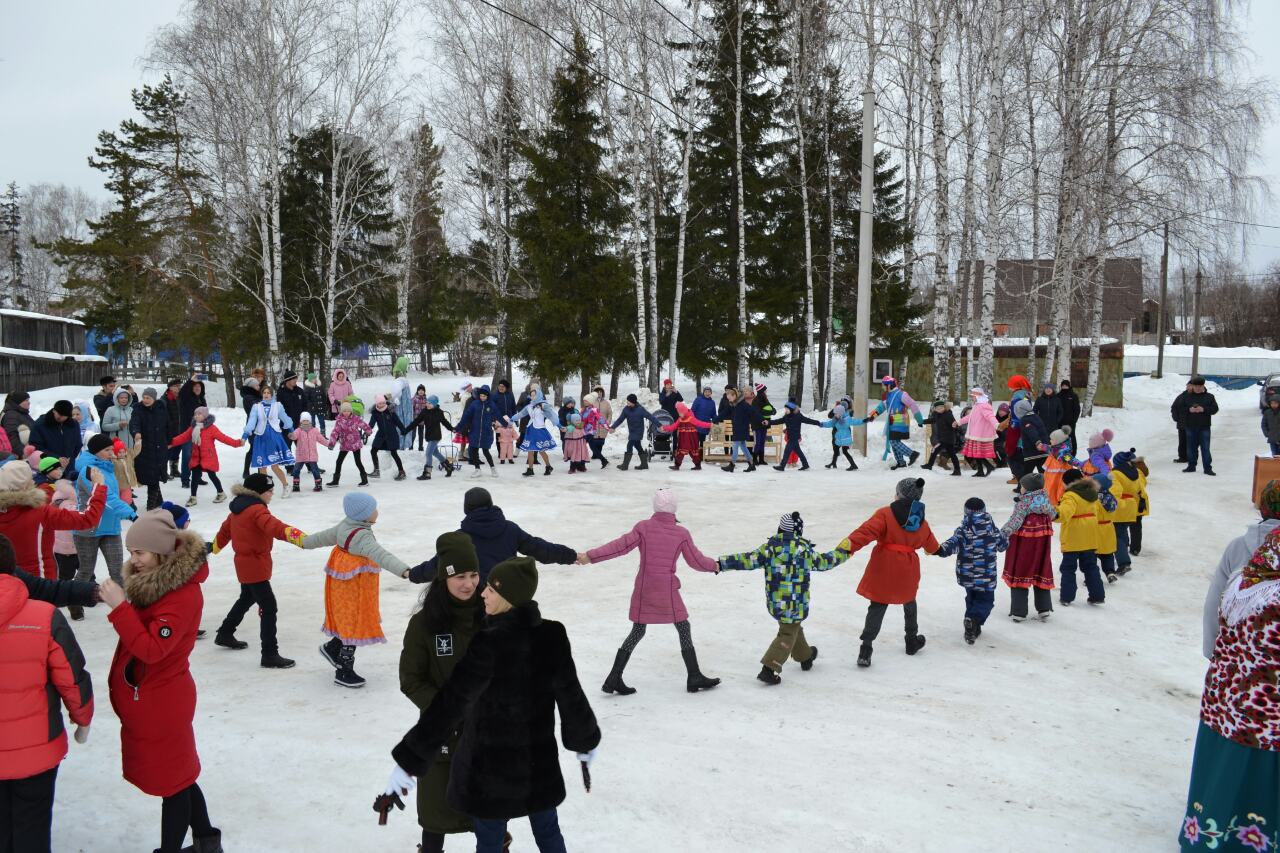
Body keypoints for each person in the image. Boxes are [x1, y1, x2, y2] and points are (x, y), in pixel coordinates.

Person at [386, 557, 601, 853]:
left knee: (490, 843)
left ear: (510, 596)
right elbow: (571, 696)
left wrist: (408, 761)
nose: (483, 593)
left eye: (492, 589)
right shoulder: (552, 635)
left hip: (489, 776)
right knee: (549, 834)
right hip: (538, 769)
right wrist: (585, 742)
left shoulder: (487, 644)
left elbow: (449, 705)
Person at [97, 509, 222, 853]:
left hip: (163, 703)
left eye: (139, 552)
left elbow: (152, 649)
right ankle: (207, 841)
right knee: (180, 776)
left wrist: (120, 609)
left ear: (162, 551)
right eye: (131, 552)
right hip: (153, 697)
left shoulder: (180, 595)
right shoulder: (157, 583)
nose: (133, 560)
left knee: (174, 786)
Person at [1179, 526, 1280, 851]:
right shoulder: (1272, 598)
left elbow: (1214, 612)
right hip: (1265, 716)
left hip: (1226, 700)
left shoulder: (1246, 580)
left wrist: (1215, 657)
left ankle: (1210, 832)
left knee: (1224, 775)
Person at [0, 533, 94, 853]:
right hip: (36, 751)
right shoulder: (43, 617)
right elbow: (71, 676)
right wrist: (83, 719)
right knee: (33, 828)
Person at [582, 488, 721, 694]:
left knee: (638, 630)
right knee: (683, 627)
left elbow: (620, 546)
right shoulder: (681, 533)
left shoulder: (643, 527)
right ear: (674, 508)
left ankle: (614, 677)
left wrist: (590, 556)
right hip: (667, 590)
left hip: (645, 588)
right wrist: (715, 566)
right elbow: (696, 561)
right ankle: (694, 676)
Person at [398, 532, 484, 853]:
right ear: (443, 577)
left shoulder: (492, 615)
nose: (468, 584)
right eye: (459, 576)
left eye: (473, 574)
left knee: (489, 818)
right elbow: (411, 679)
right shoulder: (424, 625)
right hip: (442, 736)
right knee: (436, 815)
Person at [717, 511, 847, 685]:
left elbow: (747, 559)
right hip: (796, 602)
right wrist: (844, 552)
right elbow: (825, 562)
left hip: (776, 601)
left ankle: (805, 656)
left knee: (792, 626)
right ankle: (769, 669)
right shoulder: (804, 550)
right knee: (788, 632)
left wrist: (722, 563)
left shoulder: (769, 549)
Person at [300, 492, 412, 688]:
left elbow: (321, 537)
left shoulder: (346, 525)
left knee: (347, 618)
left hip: (341, 586)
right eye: (373, 509)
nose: (377, 512)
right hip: (355, 587)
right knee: (354, 623)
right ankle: (343, 671)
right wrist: (405, 571)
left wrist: (303, 541)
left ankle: (332, 648)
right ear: (363, 515)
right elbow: (381, 555)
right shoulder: (362, 537)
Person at [840, 478, 939, 667]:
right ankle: (911, 641)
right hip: (907, 569)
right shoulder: (921, 521)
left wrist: (847, 546)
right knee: (909, 602)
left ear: (899, 495)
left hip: (884, 565)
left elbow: (866, 532)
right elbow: (932, 546)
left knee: (878, 604)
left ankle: (866, 648)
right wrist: (940, 550)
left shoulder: (885, 514)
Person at [211, 473, 305, 669]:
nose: (272, 494)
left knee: (246, 597)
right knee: (269, 607)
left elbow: (224, 532)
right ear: (259, 492)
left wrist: (214, 547)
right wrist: (301, 538)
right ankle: (269, 654)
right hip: (254, 564)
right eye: (269, 491)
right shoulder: (257, 511)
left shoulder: (238, 509)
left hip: (245, 563)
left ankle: (225, 633)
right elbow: (276, 527)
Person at [407, 488, 577, 584]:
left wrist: (412, 574)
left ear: (467, 508)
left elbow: (437, 565)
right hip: (505, 593)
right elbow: (539, 548)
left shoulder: (460, 539)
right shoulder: (510, 529)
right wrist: (571, 556)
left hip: (475, 596)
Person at [1202, 480, 1280, 659]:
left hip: (1240, 659)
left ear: (1263, 507)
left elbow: (1214, 602)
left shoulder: (1238, 547)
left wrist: (1212, 652)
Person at [0, 457, 106, 582]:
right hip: (40, 583)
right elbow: (88, 519)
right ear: (25, 484)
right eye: (30, 479)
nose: (33, 481)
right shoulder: (41, 513)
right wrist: (98, 487)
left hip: (5, 583)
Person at [72, 435, 138, 603]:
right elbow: (106, 498)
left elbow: (116, 494)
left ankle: (125, 606)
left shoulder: (107, 468)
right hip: (88, 529)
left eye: (111, 449)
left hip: (110, 527)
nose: (111, 453)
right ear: (95, 451)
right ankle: (74, 602)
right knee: (86, 571)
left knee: (118, 571)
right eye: (107, 450)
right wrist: (130, 513)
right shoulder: (89, 471)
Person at [934, 497, 1008, 645]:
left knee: (972, 599)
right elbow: (1003, 545)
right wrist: (1005, 537)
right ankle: (973, 620)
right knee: (986, 602)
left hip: (967, 575)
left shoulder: (963, 530)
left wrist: (940, 549)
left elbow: (952, 543)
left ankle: (972, 628)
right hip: (986, 577)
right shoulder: (992, 529)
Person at [1001, 472, 1057, 621]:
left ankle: (1019, 612)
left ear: (1028, 489)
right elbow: (1053, 514)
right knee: (1041, 570)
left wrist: (1004, 532)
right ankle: (1044, 609)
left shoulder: (1024, 503)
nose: (1021, 488)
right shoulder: (1046, 501)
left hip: (1024, 546)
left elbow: (1016, 521)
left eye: (1022, 486)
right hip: (1042, 546)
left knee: (1021, 571)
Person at [169, 407, 242, 507]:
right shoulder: (193, 428)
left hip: (208, 457)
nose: (196, 416)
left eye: (199, 414)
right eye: (195, 414)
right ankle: (193, 497)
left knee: (212, 476)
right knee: (194, 477)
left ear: (205, 416)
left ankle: (221, 493)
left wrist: (237, 443)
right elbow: (183, 437)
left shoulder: (211, 428)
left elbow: (224, 438)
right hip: (196, 457)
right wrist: (171, 442)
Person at [1055, 469, 1105, 606]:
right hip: (1090, 535)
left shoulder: (1070, 495)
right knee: (1091, 566)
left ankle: (1067, 597)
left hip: (1074, 536)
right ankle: (1097, 595)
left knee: (1068, 568)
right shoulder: (1092, 493)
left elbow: (1064, 513)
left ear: (1068, 482)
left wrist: (1053, 513)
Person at [242, 385, 295, 494]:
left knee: (274, 466)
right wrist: (245, 435)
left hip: (273, 438)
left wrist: (291, 430)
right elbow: (251, 422)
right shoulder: (256, 407)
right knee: (262, 467)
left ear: (272, 394)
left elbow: (285, 418)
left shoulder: (277, 406)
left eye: (268, 393)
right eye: (264, 392)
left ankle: (286, 485)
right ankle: (266, 488)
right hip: (261, 438)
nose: (266, 394)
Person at [129, 387, 171, 510]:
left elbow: (168, 425)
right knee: (152, 476)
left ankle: (157, 501)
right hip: (146, 448)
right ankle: (151, 505)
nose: (145, 400)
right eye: (144, 397)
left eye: (148, 398)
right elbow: (134, 423)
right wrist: (136, 432)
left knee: (155, 475)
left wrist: (169, 440)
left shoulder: (161, 408)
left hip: (160, 447)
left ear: (154, 398)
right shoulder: (138, 409)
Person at [872, 377, 924, 470]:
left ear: (889, 385)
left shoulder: (901, 394)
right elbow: (881, 407)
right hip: (893, 423)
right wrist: (871, 416)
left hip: (900, 422)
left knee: (893, 441)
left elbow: (912, 404)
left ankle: (912, 454)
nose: (882, 387)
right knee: (894, 441)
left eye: (883, 385)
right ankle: (901, 462)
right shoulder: (888, 396)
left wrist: (919, 419)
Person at [402, 395, 455, 480]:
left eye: (430, 403)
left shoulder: (439, 412)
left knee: (428, 453)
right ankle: (448, 466)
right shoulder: (425, 411)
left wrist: (452, 429)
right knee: (435, 453)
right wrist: (406, 430)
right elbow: (416, 421)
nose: (427, 404)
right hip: (429, 435)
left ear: (434, 404)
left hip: (436, 436)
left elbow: (445, 422)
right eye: (427, 402)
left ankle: (427, 473)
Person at [1176, 375, 1218, 475]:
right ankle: (1191, 466)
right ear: (1193, 386)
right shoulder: (1186, 397)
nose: (1198, 388)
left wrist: (1203, 409)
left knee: (1205, 448)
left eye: (1200, 386)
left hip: (1204, 426)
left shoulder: (1209, 397)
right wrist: (1189, 409)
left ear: (1203, 386)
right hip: (1190, 426)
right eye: (1196, 386)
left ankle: (1207, 468)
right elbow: (1180, 409)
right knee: (1191, 448)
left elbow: (1215, 409)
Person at [1109, 449, 1142, 575]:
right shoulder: (1135, 473)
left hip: (1120, 506)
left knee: (1116, 536)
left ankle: (1123, 562)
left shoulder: (1115, 474)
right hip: (1131, 505)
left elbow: (1115, 491)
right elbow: (1139, 488)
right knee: (1122, 532)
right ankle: (1124, 554)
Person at [610, 394, 662, 471]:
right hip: (632, 431)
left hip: (639, 431)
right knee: (638, 446)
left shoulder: (640, 409)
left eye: (628, 401)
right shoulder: (626, 409)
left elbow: (650, 417)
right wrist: (613, 427)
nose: (627, 402)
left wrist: (659, 425)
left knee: (629, 445)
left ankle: (625, 465)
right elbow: (620, 419)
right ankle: (644, 464)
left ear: (633, 402)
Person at [327, 401, 373, 487]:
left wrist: (368, 430)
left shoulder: (356, 418)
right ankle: (335, 481)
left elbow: (363, 425)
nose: (346, 412)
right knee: (339, 461)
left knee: (358, 462)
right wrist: (332, 443)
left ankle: (364, 480)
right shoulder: (339, 420)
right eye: (344, 411)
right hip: (345, 444)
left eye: (348, 411)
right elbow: (335, 432)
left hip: (355, 443)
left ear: (351, 411)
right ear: (342, 411)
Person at [458, 385, 500, 479]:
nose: (482, 397)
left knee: (485, 451)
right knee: (473, 450)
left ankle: (493, 468)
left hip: (486, 432)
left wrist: (494, 423)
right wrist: (466, 427)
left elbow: (494, 416)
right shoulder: (474, 404)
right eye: (481, 395)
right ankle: (477, 469)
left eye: (484, 396)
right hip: (475, 431)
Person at [956, 388, 999, 478]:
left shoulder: (984, 406)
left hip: (980, 434)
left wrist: (996, 425)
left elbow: (990, 416)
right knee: (975, 452)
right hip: (974, 434)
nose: (972, 398)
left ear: (978, 397)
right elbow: (970, 417)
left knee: (978, 452)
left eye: (973, 396)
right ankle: (981, 470)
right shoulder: (977, 406)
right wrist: (959, 422)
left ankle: (988, 467)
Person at [769, 401, 820, 471]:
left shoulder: (798, 416)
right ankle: (805, 464)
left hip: (794, 437)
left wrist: (817, 423)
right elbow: (778, 421)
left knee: (787, 451)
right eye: (785, 409)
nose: (785, 410)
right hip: (791, 437)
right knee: (798, 452)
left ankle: (782, 466)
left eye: (787, 409)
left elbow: (808, 420)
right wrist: (769, 422)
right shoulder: (786, 417)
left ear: (791, 409)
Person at [367, 394, 408, 481]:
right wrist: (367, 431)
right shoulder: (375, 413)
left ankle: (401, 471)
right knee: (373, 450)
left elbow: (398, 422)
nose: (382, 404)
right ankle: (376, 471)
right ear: (377, 404)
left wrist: (403, 430)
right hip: (381, 435)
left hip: (392, 435)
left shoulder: (390, 411)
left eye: (383, 402)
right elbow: (371, 424)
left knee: (394, 453)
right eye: (380, 403)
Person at [821, 404, 873, 471]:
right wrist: (821, 424)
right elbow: (829, 423)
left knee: (844, 451)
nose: (835, 415)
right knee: (837, 450)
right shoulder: (836, 419)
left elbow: (857, 421)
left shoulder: (847, 419)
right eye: (835, 413)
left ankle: (853, 465)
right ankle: (834, 463)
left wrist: (866, 420)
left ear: (841, 413)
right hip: (840, 439)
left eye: (836, 413)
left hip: (845, 439)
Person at [289, 412, 332, 492]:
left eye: (307, 420)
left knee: (315, 470)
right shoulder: (298, 430)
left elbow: (321, 439)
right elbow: (294, 436)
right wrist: (291, 435)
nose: (305, 422)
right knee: (296, 470)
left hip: (312, 455)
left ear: (310, 421)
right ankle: (296, 485)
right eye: (304, 420)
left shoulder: (314, 430)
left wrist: (328, 444)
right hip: (301, 455)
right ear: (301, 421)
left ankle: (318, 485)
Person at [664, 401, 713, 471]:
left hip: (691, 439)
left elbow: (700, 423)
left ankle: (697, 465)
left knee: (692, 452)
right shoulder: (680, 419)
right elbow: (673, 426)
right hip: (683, 439)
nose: (679, 414)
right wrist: (665, 428)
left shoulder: (691, 418)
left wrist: (709, 425)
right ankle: (677, 465)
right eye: (678, 413)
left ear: (684, 411)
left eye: (680, 413)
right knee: (681, 451)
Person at [920, 400, 961, 475]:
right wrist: (922, 421)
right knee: (952, 454)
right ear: (935, 409)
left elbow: (954, 424)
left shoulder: (948, 415)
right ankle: (957, 470)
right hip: (944, 438)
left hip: (947, 438)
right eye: (937, 408)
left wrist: (955, 426)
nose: (940, 409)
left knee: (934, 450)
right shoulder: (937, 415)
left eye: (941, 408)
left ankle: (929, 465)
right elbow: (932, 420)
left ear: (944, 407)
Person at [722, 388, 757, 473]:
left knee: (735, 447)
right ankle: (752, 464)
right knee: (743, 447)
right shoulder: (733, 405)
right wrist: (715, 420)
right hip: (738, 429)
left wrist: (762, 420)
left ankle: (732, 465)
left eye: (729, 397)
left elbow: (754, 412)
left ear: (734, 396)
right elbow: (724, 413)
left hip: (741, 430)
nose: (728, 398)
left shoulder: (743, 404)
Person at [276, 370, 307, 446]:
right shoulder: (281, 393)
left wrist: (304, 419)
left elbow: (305, 406)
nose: (295, 380)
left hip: (299, 425)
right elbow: (279, 410)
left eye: (296, 378)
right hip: (286, 427)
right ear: (287, 380)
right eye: (293, 379)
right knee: (286, 448)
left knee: (302, 448)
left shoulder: (300, 391)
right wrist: (285, 422)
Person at [1, 392, 36, 458]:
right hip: (23, 455)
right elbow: (12, 438)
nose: (29, 402)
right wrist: (24, 453)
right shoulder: (11, 415)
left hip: (31, 450)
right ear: (18, 402)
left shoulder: (22, 413)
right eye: (26, 400)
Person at [162, 379, 184, 480]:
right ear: (170, 388)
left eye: (179, 386)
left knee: (177, 450)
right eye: (176, 386)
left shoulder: (180, 398)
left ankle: (174, 469)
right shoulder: (164, 399)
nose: (179, 388)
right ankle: (163, 472)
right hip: (169, 431)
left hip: (179, 429)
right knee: (167, 451)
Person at [750, 384, 777, 467]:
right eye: (765, 390)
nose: (766, 392)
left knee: (762, 442)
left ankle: (761, 459)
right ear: (762, 391)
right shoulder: (755, 401)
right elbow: (757, 413)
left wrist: (772, 411)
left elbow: (773, 410)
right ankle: (754, 459)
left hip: (764, 425)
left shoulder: (766, 400)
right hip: (756, 425)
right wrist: (764, 418)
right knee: (757, 442)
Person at [1171, 380, 1193, 464]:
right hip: (1182, 423)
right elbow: (1174, 407)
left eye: (1191, 386)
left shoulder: (1197, 397)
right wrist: (1176, 417)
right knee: (1182, 441)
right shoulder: (1181, 396)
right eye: (1188, 385)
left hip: (1193, 423)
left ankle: (1192, 457)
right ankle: (1182, 457)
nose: (1189, 387)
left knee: (1192, 441)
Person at [1058, 380, 1081, 454]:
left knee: (1071, 438)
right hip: (1060, 422)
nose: (1064, 387)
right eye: (1063, 386)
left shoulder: (1073, 396)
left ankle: (1073, 453)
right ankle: (1060, 453)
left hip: (1070, 423)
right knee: (1060, 438)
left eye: (1066, 386)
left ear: (1069, 386)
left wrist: (1074, 420)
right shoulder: (1058, 396)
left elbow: (1077, 409)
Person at [303, 372, 328, 436]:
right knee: (312, 422)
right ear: (310, 380)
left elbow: (323, 397)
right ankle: (313, 434)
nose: (315, 380)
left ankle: (323, 434)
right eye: (313, 379)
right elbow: (306, 399)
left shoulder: (320, 387)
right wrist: (311, 406)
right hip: (312, 409)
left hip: (320, 408)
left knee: (322, 421)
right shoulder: (307, 388)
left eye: (315, 378)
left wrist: (324, 406)